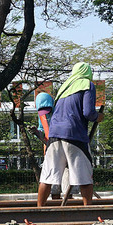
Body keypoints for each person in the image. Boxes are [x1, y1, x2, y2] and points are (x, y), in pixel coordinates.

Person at [37, 62, 102, 207]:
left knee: (47, 177)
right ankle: (87, 212)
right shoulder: (87, 85)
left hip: (54, 135)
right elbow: (88, 113)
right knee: (84, 177)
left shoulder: (64, 86)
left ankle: (39, 210)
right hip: (74, 135)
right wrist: (98, 117)